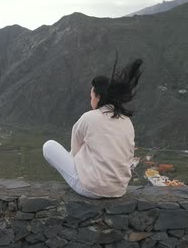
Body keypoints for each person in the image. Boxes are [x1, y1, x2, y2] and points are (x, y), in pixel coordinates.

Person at [43, 58, 143, 198]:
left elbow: (74, 153)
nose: (91, 100)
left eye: (92, 96)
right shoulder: (126, 121)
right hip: (119, 190)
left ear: (98, 97)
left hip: (90, 188)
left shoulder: (88, 117)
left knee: (49, 146)